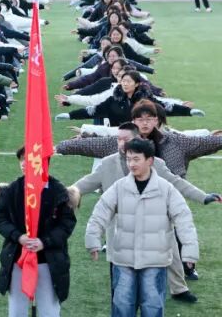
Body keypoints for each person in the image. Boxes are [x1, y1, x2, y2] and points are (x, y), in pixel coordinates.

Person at [66, 122, 219, 304]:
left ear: (137, 139)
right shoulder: (107, 163)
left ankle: (179, 288)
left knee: (169, 251)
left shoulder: (156, 164)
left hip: (154, 224)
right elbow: (86, 183)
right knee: (121, 277)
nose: (121, 143)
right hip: (121, 229)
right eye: (119, 139)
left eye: (126, 139)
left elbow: (177, 183)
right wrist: (66, 193)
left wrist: (203, 196)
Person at [84, 138, 199, 317]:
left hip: (155, 260)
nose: (131, 164)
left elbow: (184, 220)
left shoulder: (166, 189)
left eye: (136, 159)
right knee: (122, 302)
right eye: (129, 159)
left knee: (153, 304)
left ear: (150, 161)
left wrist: (189, 252)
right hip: (123, 258)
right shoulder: (119, 187)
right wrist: (92, 240)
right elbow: (100, 213)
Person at [0, 146, 76, 317]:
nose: (24, 164)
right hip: (19, 258)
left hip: (48, 260)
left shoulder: (57, 191)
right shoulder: (13, 190)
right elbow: (0, 218)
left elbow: (67, 224)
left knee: (49, 310)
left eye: (29, 160)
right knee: (17, 309)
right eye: (22, 160)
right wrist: (18, 236)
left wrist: (44, 242)